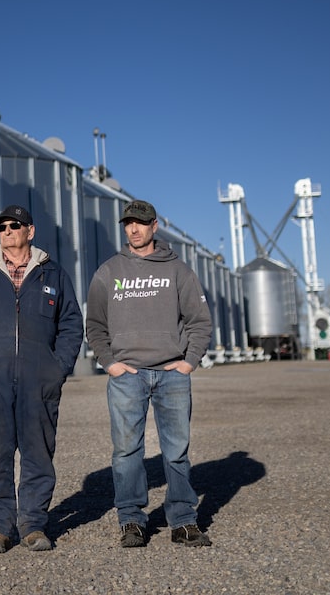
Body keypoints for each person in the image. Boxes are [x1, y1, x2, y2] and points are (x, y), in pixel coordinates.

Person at [0, 205, 85, 553]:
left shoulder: (52, 273)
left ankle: (33, 525)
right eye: (2, 227)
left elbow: (71, 323)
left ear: (30, 231)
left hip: (39, 380)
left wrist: (58, 367)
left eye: (14, 225)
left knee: (39, 454)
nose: (7, 231)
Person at [84, 199, 214, 548]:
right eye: (128, 223)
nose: (133, 229)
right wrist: (110, 362)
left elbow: (200, 321)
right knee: (126, 451)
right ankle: (131, 520)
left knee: (176, 451)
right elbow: (94, 325)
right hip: (127, 375)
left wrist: (189, 361)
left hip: (172, 374)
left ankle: (183, 521)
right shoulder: (108, 271)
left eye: (140, 223)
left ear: (154, 226)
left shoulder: (178, 270)